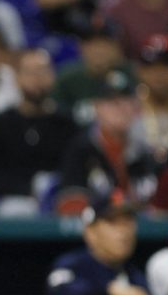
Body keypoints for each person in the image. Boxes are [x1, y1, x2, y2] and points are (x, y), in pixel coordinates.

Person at [0, 47, 77, 214]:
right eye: (29, 72)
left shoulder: (67, 123)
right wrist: (30, 187)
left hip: (58, 198)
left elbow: (75, 168)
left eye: (43, 71)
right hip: (13, 200)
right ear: (17, 78)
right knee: (17, 210)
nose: (37, 78)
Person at [59, 69, 160, 207]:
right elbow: (72, 203)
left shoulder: (145, 151)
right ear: (96, 107)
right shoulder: (81, 150)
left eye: (126, 100)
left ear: (136, 108)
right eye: (110, 101)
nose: (119, 108)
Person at [52, 18, 131, 126]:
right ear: (81, 47)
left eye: (103, 44)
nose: (98, 50)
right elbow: (56, 115)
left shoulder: (130, 73)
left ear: (115, 47)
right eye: (91, 44)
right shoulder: (67, 78)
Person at [132, 33, 168, 172]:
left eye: (165, 67)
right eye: (152, 68)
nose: (158, 74)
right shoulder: (127, 108)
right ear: (140, 71)